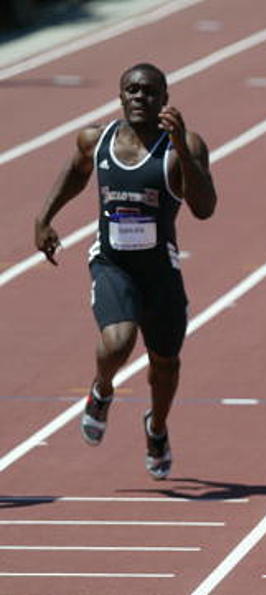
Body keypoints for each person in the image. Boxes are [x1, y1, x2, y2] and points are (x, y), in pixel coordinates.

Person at [34, 63, 217, 479]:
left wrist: (183, 151)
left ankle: (156, 427)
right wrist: (43, 218)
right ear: (120, 96)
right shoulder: (96, 141)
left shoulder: (183, 145)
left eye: (150, 92)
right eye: (132, 90)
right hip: (112, 262)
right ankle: (101, 390)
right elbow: (75, 174)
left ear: (165, 99)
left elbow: (204, 208)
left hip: (160, 270)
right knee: (119, 341)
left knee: (165, 363)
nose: (140, 97)